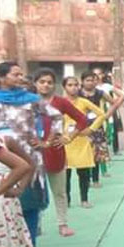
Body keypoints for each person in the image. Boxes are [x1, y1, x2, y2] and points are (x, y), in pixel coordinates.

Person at [0, 62, 63, 247]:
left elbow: (57, 117)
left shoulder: (32, 99)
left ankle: (30, 245)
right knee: (3, 201)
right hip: (0, 155)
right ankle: (8, 244)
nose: (20, 78)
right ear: (1, 77)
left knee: (28, 201)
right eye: (15, 74)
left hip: (29, 155)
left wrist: (46, 141)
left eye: (21, 74)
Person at [32, 69, 89, 238]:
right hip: (33, 153)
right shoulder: (28, 102)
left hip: (55, 151)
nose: (46, 85)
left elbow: (82, 119)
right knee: (35, 192)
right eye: (42, 81)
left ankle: (62, 224)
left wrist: (69, 137)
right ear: (35, 83)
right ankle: (36, 225)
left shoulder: (61, 102)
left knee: (59, 191)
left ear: (54, 85)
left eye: (49, 82)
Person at [62, 77, 124, 208]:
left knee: (83, 173)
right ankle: (66, 200)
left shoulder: (83, 102)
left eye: (75, 85)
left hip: (82, 139)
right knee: (65, 175)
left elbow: (101, 114)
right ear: (64, 87)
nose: (73, 87)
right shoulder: (60, 103)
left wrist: (91, 129)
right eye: (69, 85)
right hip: (66, 141)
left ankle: (84, 199)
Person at [79, 72, 110, 188]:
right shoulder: (78, 93)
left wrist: (106, 115)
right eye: (87, 80)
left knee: (96, 154)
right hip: (82, 126)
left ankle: (96, 179)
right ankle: (86, 180)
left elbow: (114, 102)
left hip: (96, 126)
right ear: (82, 81)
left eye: (92, 80)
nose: (90, 83)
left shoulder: (99, 93)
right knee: (84, 153)